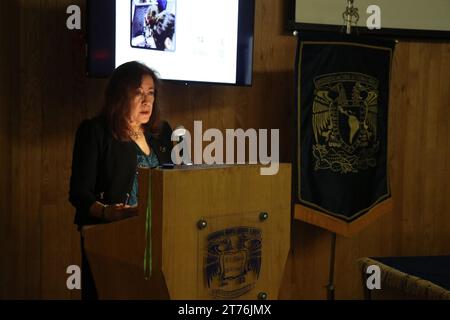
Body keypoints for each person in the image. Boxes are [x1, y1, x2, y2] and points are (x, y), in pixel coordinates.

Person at [68, 61, 173, 299]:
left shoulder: (163, 131)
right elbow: (79, 193)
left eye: (151, 93)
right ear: (119, 96)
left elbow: (176, 180)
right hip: (112, 239)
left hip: (158, 239)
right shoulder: (94, 131)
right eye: (138, 93)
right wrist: (107, 212)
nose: (147, 101)